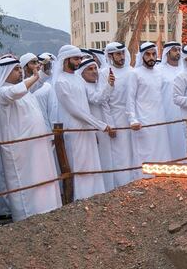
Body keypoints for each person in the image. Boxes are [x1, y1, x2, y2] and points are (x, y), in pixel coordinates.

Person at [0, 57, 62, 220]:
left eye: (20, 69)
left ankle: (47, 209)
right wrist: (35, 77)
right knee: (26, 185)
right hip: (19, 149)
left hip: (35, 145)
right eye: (16, 69)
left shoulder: (22, 89)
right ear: (5, 72)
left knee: (42, 178)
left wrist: (40, 72)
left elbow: (34, 82)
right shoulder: (3, 92)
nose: (20, 71)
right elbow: (16, 92)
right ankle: (27, 217)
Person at [53, 45, 109, 200]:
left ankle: (95, 196)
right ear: (66, 60)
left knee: (92, 164)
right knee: (79, 165)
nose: (79, 62)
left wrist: (108, 86)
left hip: (88, 129)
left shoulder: (78, 78)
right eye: (76, 58)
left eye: (79, 58)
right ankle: (80, 199)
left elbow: (94, 99)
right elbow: (74, 110)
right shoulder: (60, 82)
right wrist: (100, 125)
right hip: (74, 130)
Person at [103, 42, 140, 185]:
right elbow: (104, 102)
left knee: (134, 151)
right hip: (116, 117)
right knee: (120, 154)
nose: (121, 56)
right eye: (118, 54)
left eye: (122, 53)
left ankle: (136, 181)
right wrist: (110, 124)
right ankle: (121, 185)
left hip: (133, 117)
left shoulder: (131, 71)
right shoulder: (104, 73)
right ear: (110, 56)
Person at [132, 42, 173, 167]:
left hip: (159, 118)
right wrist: (133, 119)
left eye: (154, 54)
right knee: (146, 151)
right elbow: (130, 100)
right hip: (143, 119)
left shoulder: (159, 73)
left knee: (162, 150)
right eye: (148, 54)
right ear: (142, 56)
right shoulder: (135, 73)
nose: (151, 57)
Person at [78, 57, 116, 191]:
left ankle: (109, 188)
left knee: (107, 160)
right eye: (90, 69)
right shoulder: (83, 86)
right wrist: (109, 86)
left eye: (95, 68)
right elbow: (97, 99)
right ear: (81, 73)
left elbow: (105, 107)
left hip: (105, 129)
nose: (95, 72)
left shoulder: (96, 84)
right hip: (94, 130)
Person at [157, 41, 187, 160]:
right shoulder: (159, 70)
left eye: (179, 50)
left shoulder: (185, 69)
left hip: (184, 112)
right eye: (174, 50)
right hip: (167, 112)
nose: (178, 52)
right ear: (167, 53)